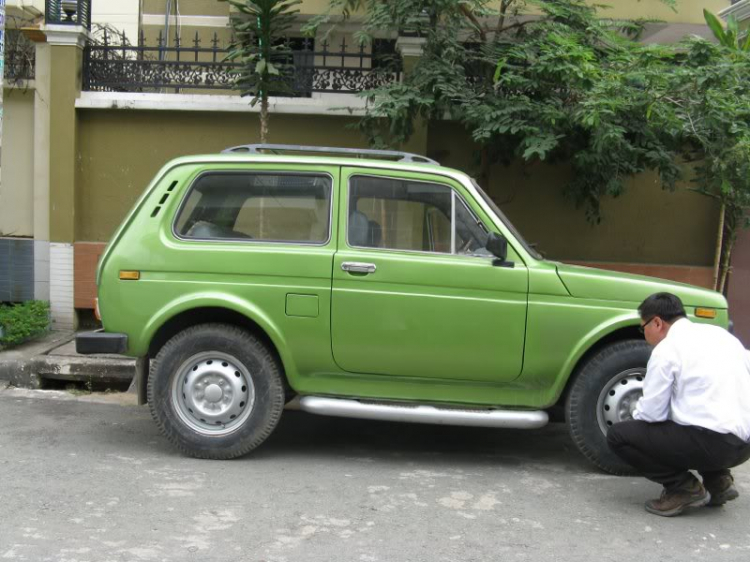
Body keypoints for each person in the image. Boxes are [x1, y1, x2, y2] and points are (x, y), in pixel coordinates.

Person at [607, 292, 750, 517]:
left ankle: (683, 488)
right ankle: (718, 480)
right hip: (743, 446)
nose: (644, 334)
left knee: (620, 435)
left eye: (642, 327)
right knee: (695, 415)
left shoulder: (666, 350)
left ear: (656, 322)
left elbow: (651, 414)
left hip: (713, 445)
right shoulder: (721, 336)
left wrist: (636, 415)